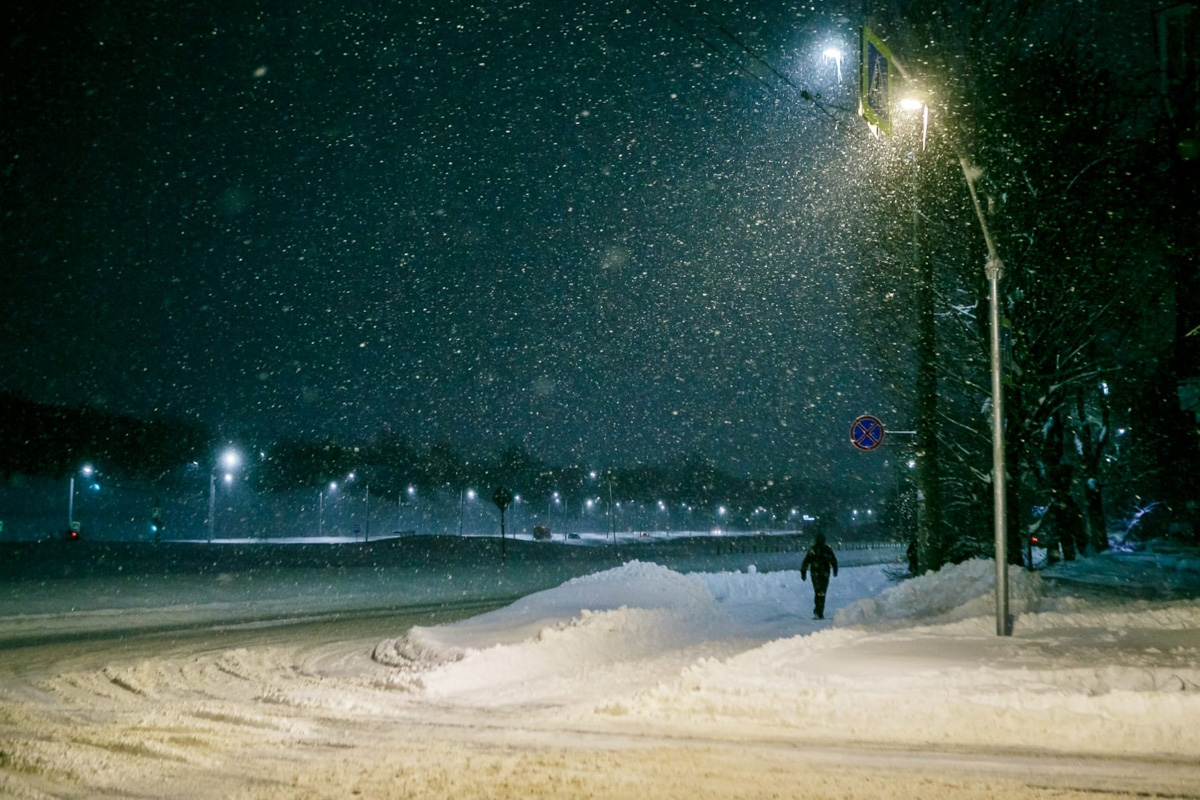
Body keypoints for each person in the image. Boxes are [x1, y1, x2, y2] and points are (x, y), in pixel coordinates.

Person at [800, 531, 838, 620]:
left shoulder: (813, 549)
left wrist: (803, 572)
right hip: (824, 574)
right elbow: (833, 561)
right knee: (822, 592)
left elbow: (806, 561)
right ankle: (819, 611)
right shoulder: (827, 549)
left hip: (815, 574)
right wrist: (835, 570)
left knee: (817, 592)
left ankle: (818, 610)